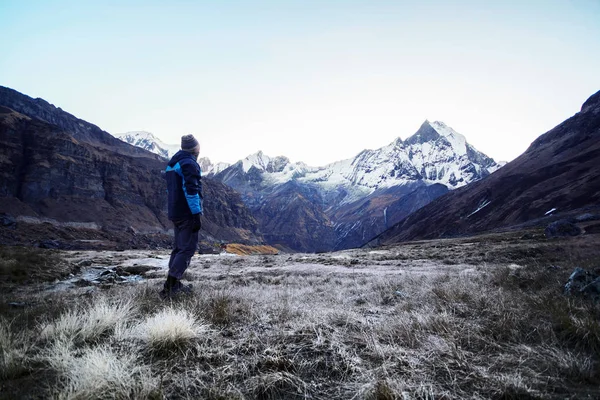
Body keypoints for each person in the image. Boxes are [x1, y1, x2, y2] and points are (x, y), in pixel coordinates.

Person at [161, 134, 203, 298]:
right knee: (187, 249)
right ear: (195, 148)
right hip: (186, 213)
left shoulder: (173, 162)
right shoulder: (188, 163)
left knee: (179, 247)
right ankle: (170, 287)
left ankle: (174, 283)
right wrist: (196, 214)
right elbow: (191, 190)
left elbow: (170, 189)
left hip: (175, 211)